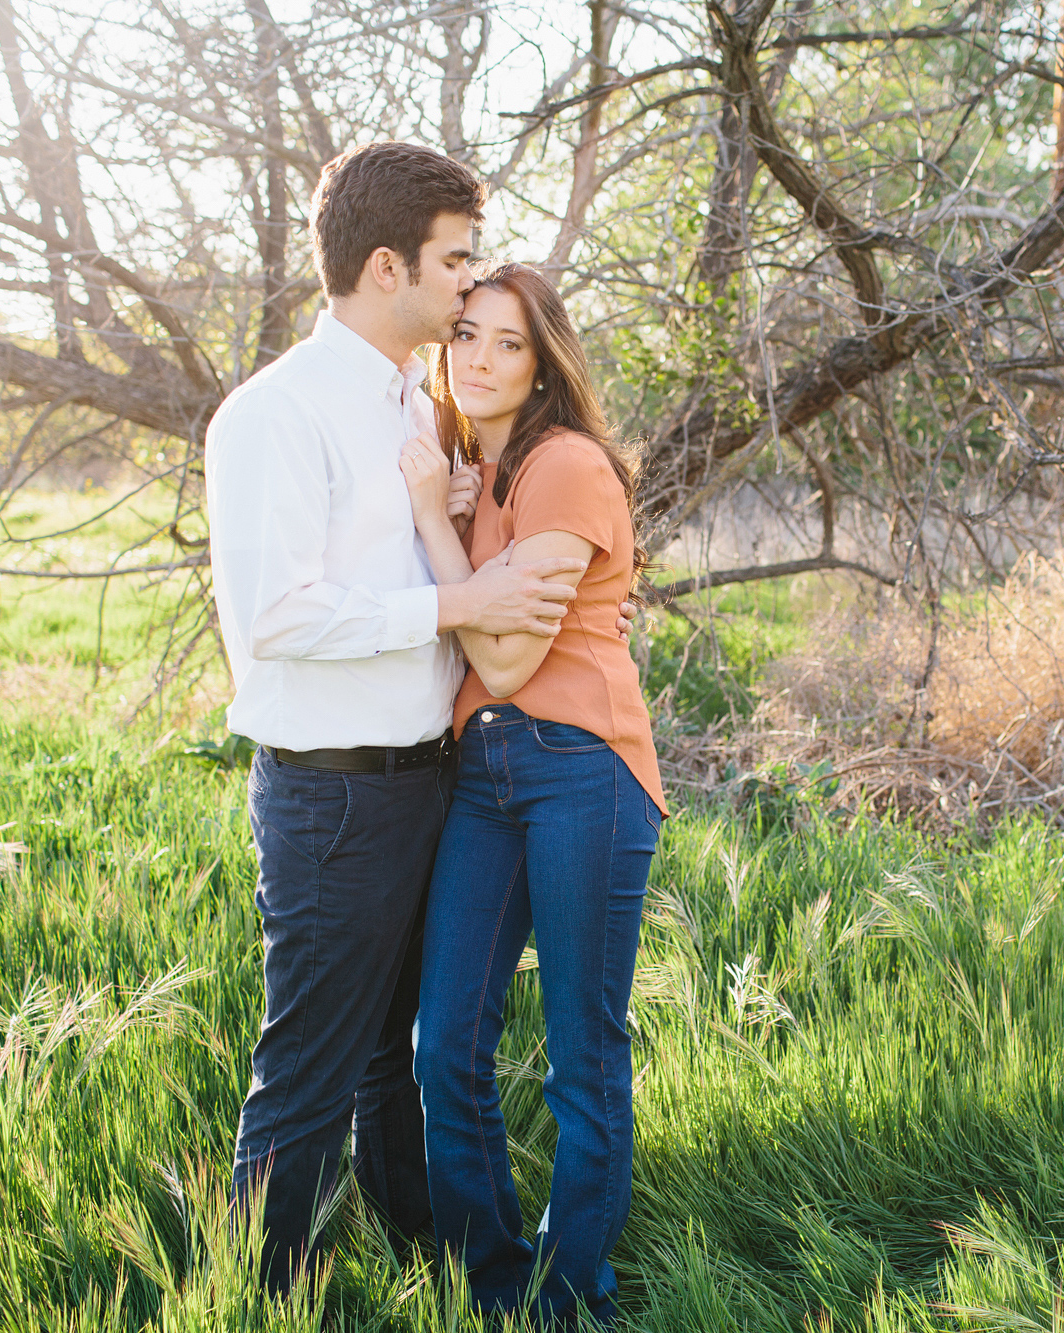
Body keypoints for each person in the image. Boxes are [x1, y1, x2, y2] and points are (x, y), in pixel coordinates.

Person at [204, 142, 633, 1293]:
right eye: (453, 265)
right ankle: (262, 1294)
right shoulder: (275, 415)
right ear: (387, 265)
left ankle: (429, 1260)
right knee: (309, 1065)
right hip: (333, 790)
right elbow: (278, 616)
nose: (465, 289)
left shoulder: (416, 403)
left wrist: (442, 515)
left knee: (398, 1062)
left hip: (429, 778)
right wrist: (458, 598)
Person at [396, 263, 666, 1328]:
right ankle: (497, 1284)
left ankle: (571, 1296)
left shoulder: (563, 466)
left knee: (580, 1052)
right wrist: (453, 515)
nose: (482, 358)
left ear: (543, 358)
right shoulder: (480, 470)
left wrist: (433, 529)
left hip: (579, 768)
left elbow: (506, 666)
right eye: (466, 334)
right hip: (484, 774)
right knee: (444, 1043)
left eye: (510, 342)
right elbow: (486, 650)